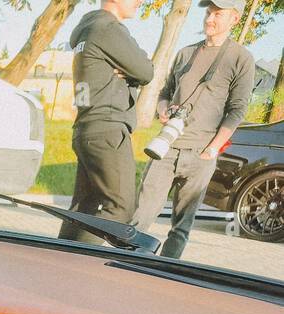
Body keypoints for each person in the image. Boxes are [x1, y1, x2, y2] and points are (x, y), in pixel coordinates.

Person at [131, 0, 254, 258]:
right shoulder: (186, 53)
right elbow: (165, 92)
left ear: (234, 19)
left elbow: (237, 110)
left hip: (201, 153)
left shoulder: (241, 58)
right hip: (167, 147)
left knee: (180, 227)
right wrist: (163, 109)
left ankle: (164, 274)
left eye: (217, 14)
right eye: (208, 12)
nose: (209, 19)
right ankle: (127, 263)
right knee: (140, 218)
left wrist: (213, 148)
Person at [59, 0, 154, 243]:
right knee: (121, 208)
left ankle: (60, 264)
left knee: (84, 208)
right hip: (108, 129)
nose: (140, 2)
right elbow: (145, 70)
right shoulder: (109, 29)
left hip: (86, 128)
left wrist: (128, 71)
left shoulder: (87, 30)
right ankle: (86, 269)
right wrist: (132, 74)